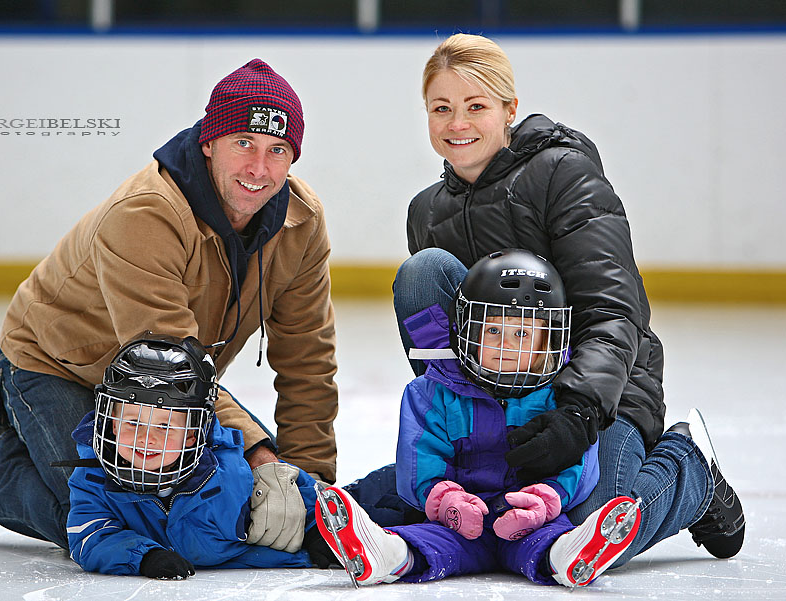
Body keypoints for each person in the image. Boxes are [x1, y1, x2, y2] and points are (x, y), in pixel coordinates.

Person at [350, 32, 744, 565]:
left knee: (584, 526)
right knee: (424, 275)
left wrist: (578, 413)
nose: (457, 123)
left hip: (604, 393)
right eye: (441, 108)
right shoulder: (426, 212)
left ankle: (689, 469)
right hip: (486, 408)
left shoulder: (563, 174)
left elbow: (613, 309)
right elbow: (444, 335)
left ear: (509, 110)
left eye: (476, 106)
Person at [0, 58, 339, 556]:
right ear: (209, 142)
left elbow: (308, 359)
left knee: (216, 508)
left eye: (277, 150)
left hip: (168, 381)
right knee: (107, 520)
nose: (259, 169)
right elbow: (166, 351)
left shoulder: (300, 223)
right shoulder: (146, 213)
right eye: (243, 142)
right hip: (57, 364)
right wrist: (263, 456)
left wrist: (310, 486)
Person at [315, 250, 642, 588]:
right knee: (427, 540)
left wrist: (543, 501)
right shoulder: (431, 392)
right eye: (493, 331)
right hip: (458, 522)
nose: (506, 347)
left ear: (549, 339)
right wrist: (447, 501)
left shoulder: (562, 395)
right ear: (467, 330)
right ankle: (387, 554)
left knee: (550, 538)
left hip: (529, 521)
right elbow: (418, 463)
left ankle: (567, 556)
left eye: (522, 335)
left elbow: (580, 464)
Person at [66, 333, 321, 577]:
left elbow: (300, 495)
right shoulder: (93, 478)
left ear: (191, 434)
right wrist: (144, 557)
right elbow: (88, 536)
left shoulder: (228, 472)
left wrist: (316, 531)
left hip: (244, 564)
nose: (146, 438)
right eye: (133, 423)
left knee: (357, 500)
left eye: (165, 426)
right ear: (112, 424)